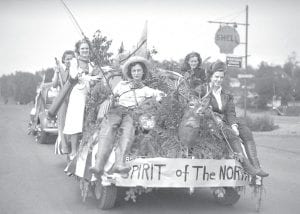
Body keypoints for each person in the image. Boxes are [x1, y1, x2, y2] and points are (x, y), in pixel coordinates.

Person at [89, 56, 164, 176]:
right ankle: (98, 165)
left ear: (143, 72)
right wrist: (113, 98)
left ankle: (120, 163)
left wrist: (157, 98)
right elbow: (112, 97)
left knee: (128, 131)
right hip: (117, 111)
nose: (136, 73)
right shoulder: (122, 85)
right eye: (134, 71)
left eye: (139, 70)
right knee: (109, 128)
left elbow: (161, 95)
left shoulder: (147, 89)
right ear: (130, 72)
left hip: (132, 114)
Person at [198, 60, 268, 177]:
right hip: (211, 122)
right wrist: (212, 115)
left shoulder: (227, 94)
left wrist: (234, 125)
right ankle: (248, 167)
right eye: (216, 77)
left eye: (221, 78)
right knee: (232, 136)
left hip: (225, 120)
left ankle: (256, 166)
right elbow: (198, 107)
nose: (218, 80)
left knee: (246, 133)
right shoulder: (202, 90)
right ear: (211, 76)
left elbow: (230, 112)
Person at [63, 40, 96, 159]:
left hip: (89, 94)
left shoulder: (92, 64)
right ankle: (73, 152)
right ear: (78, 50)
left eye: (87, 48)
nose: (85, 51)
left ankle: (86, 149)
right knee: (75, 122)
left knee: (89, 121)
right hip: (77, 94)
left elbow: (93, 80)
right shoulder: (74, 62)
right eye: (82, 49)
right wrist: (90, 78)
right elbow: (75, 75)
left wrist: (94, 80)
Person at [52, 50, 75, 154]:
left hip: (74, 99)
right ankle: (65, 148)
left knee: (74, 125)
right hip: (63, 100)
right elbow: (54, 85)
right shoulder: (60, 69)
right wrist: (57, 73)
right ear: (63, 60)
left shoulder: (76, 70)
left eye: (71, 59)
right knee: (63, 125)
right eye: (67, 59)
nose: (69, 61)